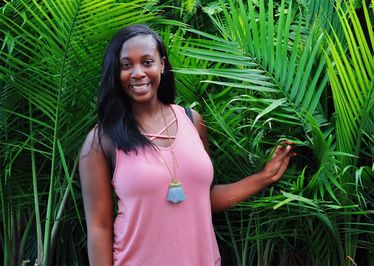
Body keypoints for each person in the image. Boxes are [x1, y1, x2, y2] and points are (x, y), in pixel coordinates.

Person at [79, 24, 295, 266]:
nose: (137, 73)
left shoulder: (192, 121)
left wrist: (264, 177)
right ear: (115, 73)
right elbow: (100, 227)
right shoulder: (102, 141)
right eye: (126, 65)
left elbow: (206, 198)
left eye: (147, 62)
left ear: (162, 64)